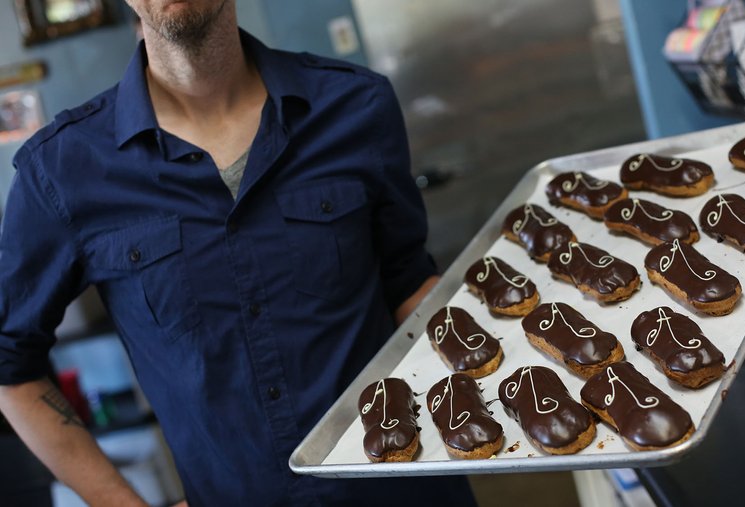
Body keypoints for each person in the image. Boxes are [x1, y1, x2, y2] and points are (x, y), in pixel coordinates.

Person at [0, 1, 477, 505]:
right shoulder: (61, 170)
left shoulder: (356, 104)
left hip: (410, 490)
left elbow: (408, 282)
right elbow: (10, 368)